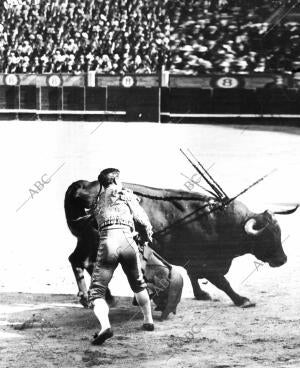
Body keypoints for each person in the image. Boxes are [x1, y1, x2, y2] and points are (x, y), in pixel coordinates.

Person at [88, 168, 154, 345]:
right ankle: (148, 320)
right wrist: (146, 238)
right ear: (116, 180)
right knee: (138, 282)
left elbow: (93, 223)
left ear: (102, 184)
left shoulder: (95, 201)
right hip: (128, 240)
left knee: (97, 291)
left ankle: (105, 327)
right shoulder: (127, 195)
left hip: (108, 241)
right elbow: (142, 219)